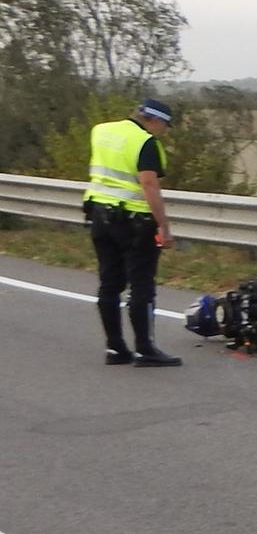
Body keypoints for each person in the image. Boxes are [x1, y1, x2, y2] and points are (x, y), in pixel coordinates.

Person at [86, 97, 182, 367]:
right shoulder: (145, 142)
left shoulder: (101, 130)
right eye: (165, 125)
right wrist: (164, 226)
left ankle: (115, 349)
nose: (163, 130)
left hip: (100, 216)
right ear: (155, 120)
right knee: (141, 285)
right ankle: (145, 349)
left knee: (109, 283)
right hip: (134, 221)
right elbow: (149, 185)